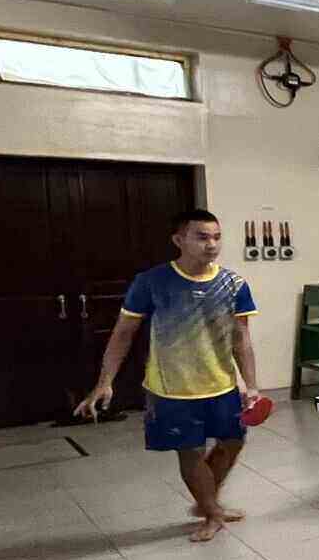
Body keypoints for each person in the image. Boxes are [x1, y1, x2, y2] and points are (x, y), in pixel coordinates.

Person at [74, 208, 258, 542]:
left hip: (222, 385)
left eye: (216, 237)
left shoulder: (234, 284)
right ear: (179, 240)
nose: (212, 245)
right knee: (190, 451)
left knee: (233, 442)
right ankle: (211, 511)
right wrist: (105, 382)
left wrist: (252, 385)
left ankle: (206, 502)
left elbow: (241, 339)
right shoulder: (151, 282)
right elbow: (123, 333)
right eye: (202, 237)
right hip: (172, 390)